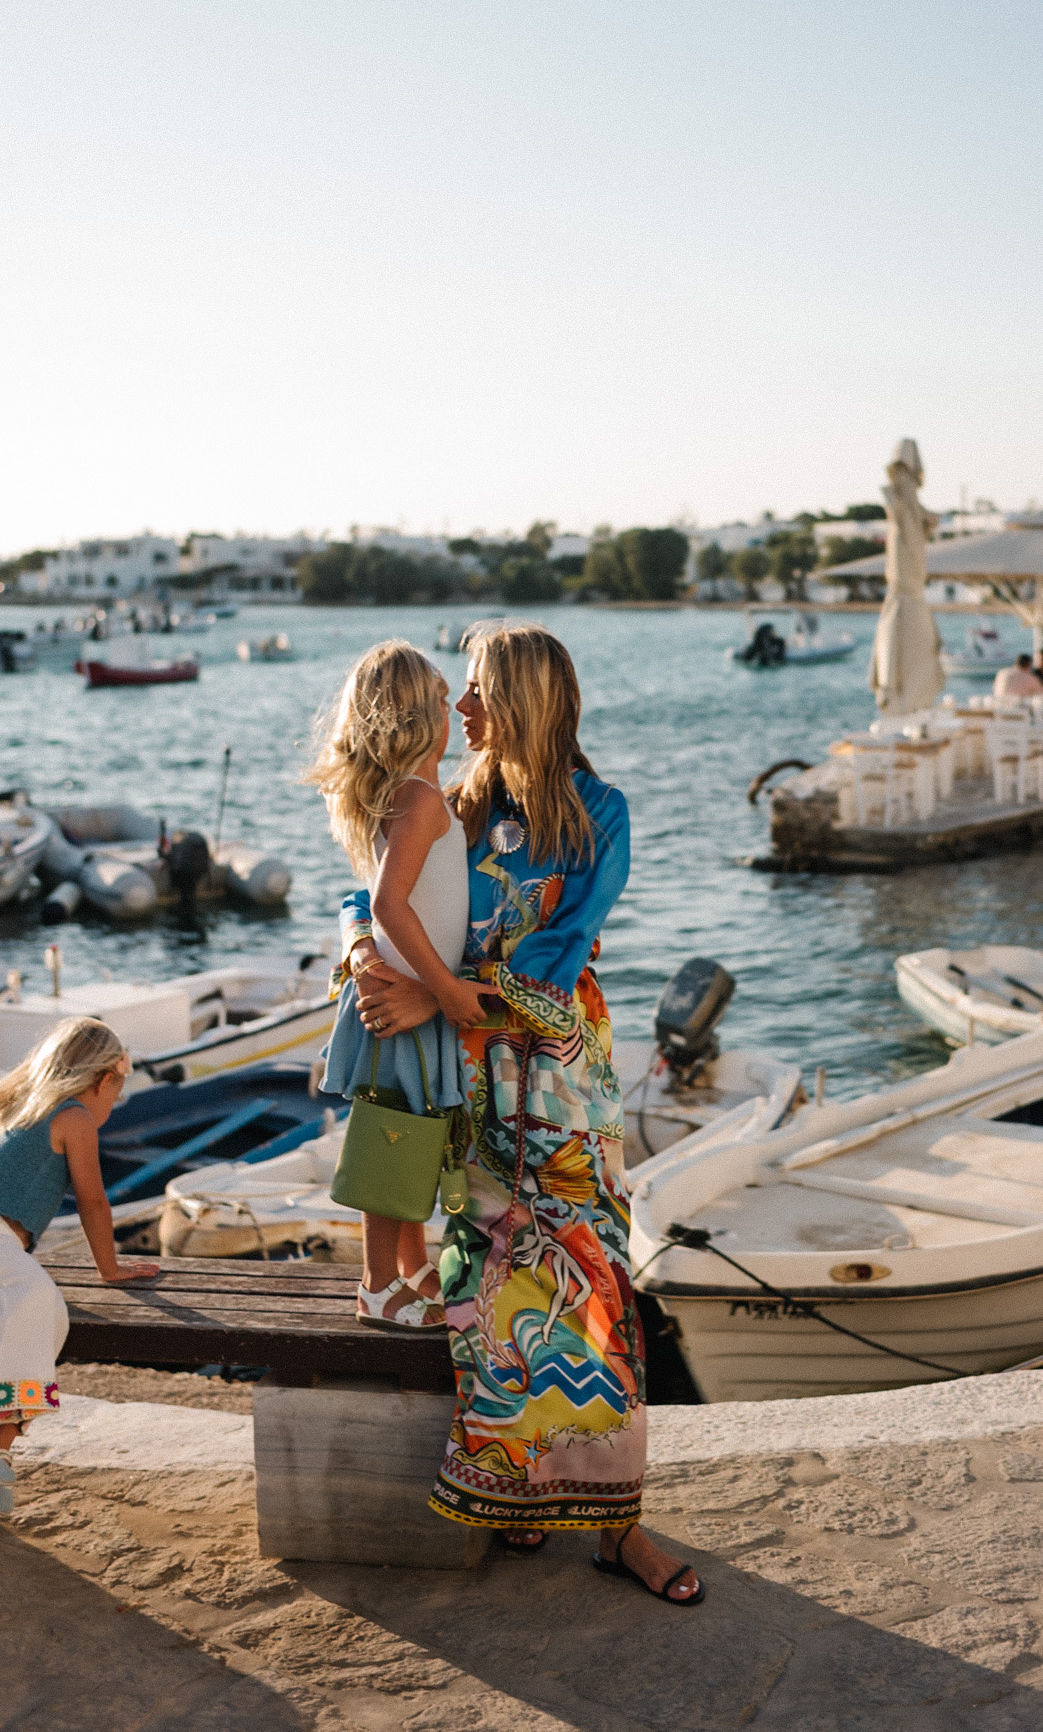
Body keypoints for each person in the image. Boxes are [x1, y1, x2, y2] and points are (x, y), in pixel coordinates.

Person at [342, 622, 704, 1605]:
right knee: (488, 1289)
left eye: (477, 690)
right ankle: (519, 1500)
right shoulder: (454, 804)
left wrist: (439, 994)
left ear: (526, 700)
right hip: (469, 1080)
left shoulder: (600, 814)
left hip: (560, 1081)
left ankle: (618, 1529)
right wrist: (370, 965)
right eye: (459, 689)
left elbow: (560, 954)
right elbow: (378, 892)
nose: (461, 708)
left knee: (590, 1292)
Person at [309, 641, 474, 1332]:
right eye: (442, 702)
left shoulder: (412, 795)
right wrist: (447, 989)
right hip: (406, 999)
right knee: (396, 1142)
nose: (454, 712)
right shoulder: (419, 798)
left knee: (410, 1129)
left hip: (403, 997)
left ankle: (413, 1269)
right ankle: (379, 1286)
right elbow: (386, 904)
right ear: (413, 718)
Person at [0, 1019, 159, 1515]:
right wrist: (110, 1270)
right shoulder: (74, 1118)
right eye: (118, 1088)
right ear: (101, 1081)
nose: (115, 1101)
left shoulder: (20, 1106)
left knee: (30, 1308)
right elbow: (93, 1201)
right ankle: (0, 1451)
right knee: (37, 1311)